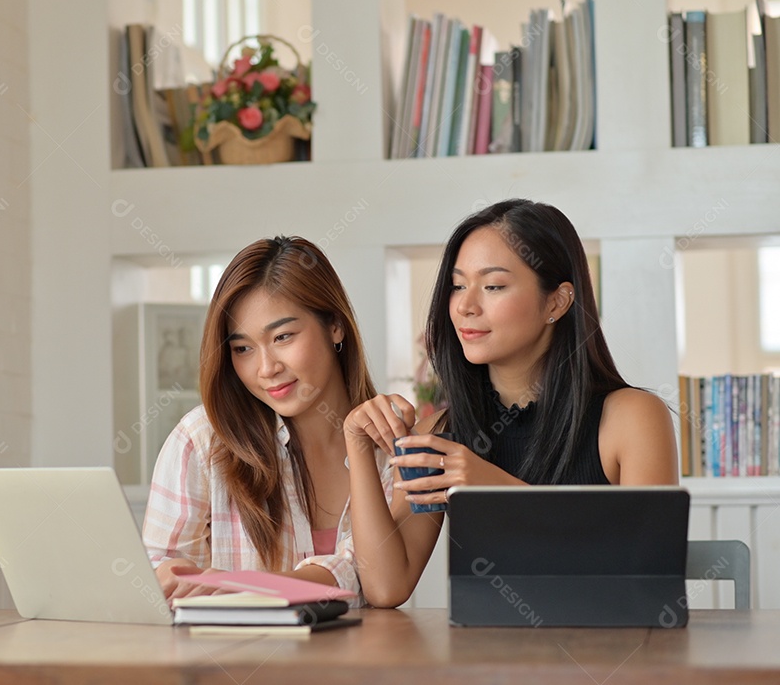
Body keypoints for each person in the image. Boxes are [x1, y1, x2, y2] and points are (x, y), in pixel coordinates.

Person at [343, 199, 680, 607]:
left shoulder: (631, 418)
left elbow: (649, 580)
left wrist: (495, 488)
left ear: (556, 301)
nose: (466, 306)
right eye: (458, 285)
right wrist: (357, 445)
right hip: (486, 663)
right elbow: (386, 587)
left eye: (493, 286)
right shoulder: (443, 433)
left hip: (608, 664)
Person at [142, 236, 392, 602]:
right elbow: (163, 584)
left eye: (283, 336)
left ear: (335, 325)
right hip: (234, 660)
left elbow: (372, 577)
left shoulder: (390, 447)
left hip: (362, 659)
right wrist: (169, 579)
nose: (266, 369)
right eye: (242, 348)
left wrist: (235, 584)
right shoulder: (201, 441)